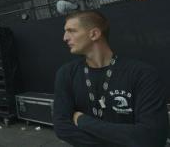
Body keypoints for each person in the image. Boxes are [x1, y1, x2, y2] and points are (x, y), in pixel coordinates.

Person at [53, 10, 169, 147]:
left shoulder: (142, 74)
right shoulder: (67, 73)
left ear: (94, 34)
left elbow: (151, 137)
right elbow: (62, 128)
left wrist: (82, 120)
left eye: (71, 31)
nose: (65, 37)